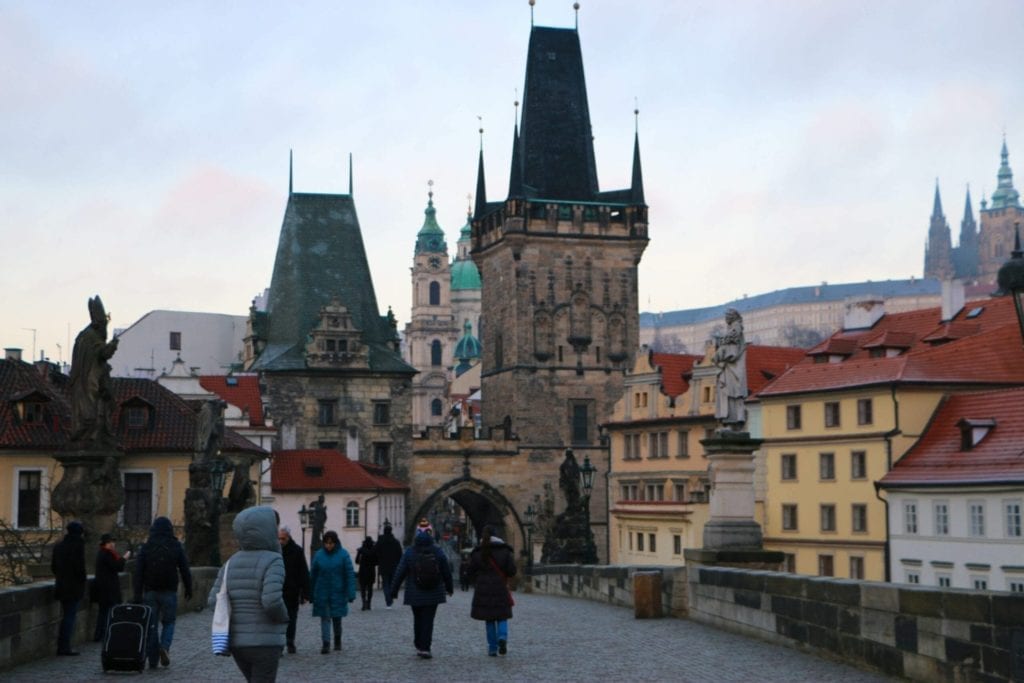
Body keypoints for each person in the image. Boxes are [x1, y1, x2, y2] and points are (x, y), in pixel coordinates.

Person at [208, 506, 289, 683]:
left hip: (238, 642)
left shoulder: (231, 562)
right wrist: (284, 618)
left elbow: (213, 600)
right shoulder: (273, 560)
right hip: (265, 641)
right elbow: (272, 600)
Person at [389, 519, 454, 659]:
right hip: (434, 593)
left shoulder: (409, 553)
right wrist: (450, 588)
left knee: (417, 618)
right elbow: (446, 571)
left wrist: (393, 591)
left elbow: (400, 572)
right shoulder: (438, 551)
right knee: (428, 620)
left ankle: (419, 643)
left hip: (415, 593)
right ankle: (425, 647)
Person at [134, 516, 193, 669]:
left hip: (150, 591)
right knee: (169, 622)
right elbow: (185, 569)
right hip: (169, 590)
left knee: (151, 626)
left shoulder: (146, 547)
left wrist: (137, 594)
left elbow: (138, 572)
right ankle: (164, 647)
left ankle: (153, 660)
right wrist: (188, 588)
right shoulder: (175, 545)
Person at [467, 525, 517, 657]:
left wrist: (478, 579)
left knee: (489, 619)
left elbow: (470, 571)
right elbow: (512, 571)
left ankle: (492, 648)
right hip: (500, 587)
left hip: (483, 589)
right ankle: (502, 637)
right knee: (502, 616)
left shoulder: (478, 552)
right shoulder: (504, 551)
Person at [309, 530, 356, 654]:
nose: (329, 545)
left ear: (335, 543)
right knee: (325, 618)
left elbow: (349, 575)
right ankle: (326, 643)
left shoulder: (343, 555)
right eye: (326, 543)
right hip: (322, 592)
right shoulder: (319, 555)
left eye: (331, 543)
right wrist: (309, 592)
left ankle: (337, 640)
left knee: (336, 618)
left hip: (338, 591)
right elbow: (313, 575)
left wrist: (351, 593)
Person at [51, 520, 86, 656]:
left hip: (61, 585)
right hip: (73, 587)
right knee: (69, 617)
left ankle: (62, 645)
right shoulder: (77, 545)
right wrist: (81, 581)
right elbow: (80, 568)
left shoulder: (59, 546)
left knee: (66, 615)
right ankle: (64, 646)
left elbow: (53, 567)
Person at [278, 526, 309, 654]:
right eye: (279, 539)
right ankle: (279, 644)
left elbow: (303, 572)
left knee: (291, 618)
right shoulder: (274, 551)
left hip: (292, 590)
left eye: (283, 539)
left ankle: (290, 641)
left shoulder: (297, 551)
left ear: (288, 538)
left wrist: (306, 592)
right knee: (278, 619)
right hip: (277, 590)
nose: (281, 541)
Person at [92, 533, 127, 642]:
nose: (113, 544)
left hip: (103, 589)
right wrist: (124, 558)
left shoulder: (102, 553)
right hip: (108, 589)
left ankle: (99, 635)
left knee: (103, 613)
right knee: (110, 613)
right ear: (106, 543)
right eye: (110, 542)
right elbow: (117, 567)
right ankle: (107, 634)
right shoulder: (106, 554)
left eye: (113, 542)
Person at [375, 521, 403, 609]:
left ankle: (388, 600)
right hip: (393, 565)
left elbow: (375, 552)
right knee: (391, 583)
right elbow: (400, 554)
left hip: (383, 565)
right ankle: (390, 598)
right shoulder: (395, 542)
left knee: (385, 583)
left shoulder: (380, 541)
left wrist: (378, 560)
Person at [355, 536, 378, 610]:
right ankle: (369, 603)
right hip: (371, 571)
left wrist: (361, 560)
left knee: (363, 588)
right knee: (370, 588)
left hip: (363, 571)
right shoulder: (374, 550)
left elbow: (356, 561)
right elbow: (377, 562)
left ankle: (364, 603)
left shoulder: (361, 550)